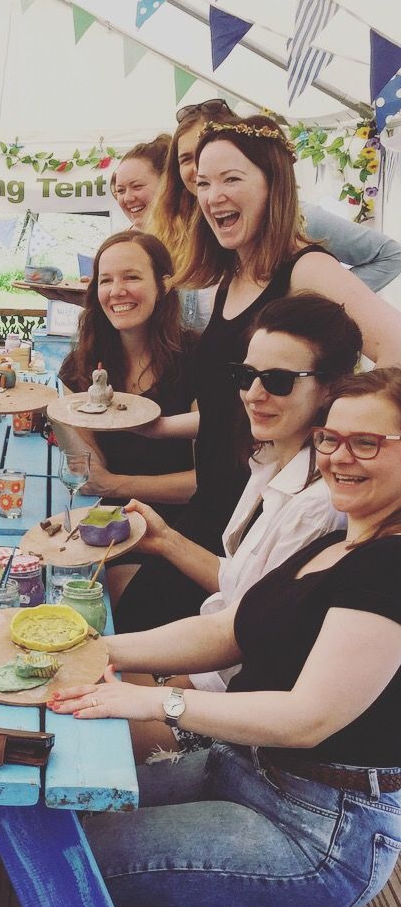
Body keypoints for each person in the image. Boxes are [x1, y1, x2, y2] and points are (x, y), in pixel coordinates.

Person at [49, 368, 401, 907]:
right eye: (331, 439)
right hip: (244, 771)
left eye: (367, 443)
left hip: (319, 832)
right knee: (59, 809)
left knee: (67, 854)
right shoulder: (343, 540)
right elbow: (227, 630)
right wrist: (90, 647)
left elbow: (307, 719)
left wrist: (155, 703)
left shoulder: (390, 567)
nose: (340, 457)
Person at [143, 115, 401, 561]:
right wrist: (158, 428)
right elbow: (233, 404)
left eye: (231, 179)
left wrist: (344, 439)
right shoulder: (235, 271)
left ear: (272, 185)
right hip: (221, 499)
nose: (212, 195)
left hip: (271, 512)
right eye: (203, 183)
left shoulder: (306, 268)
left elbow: (394, 348)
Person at [116, 294, 361, 749]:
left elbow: (248, 636)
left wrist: (164, 690)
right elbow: (244, 590)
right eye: (246, 376)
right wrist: (165, 539)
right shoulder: (272, 460)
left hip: (235, 716)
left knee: (71, 728)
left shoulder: (318, 503)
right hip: (211, 677)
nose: (254, 394)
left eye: (279, 380)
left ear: (331, 389)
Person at [145, 100, 401, 324]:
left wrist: (316, 310)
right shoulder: (181, 229)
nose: (201, 163)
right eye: (186, 158)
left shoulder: (301, 226)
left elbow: (390, 255)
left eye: (231, 176)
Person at [56, 231, 196, 520]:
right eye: (106, 280)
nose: (117, 291)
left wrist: (117, 486)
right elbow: (89, 474)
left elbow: (207, 480)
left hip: (186, 528)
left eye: (131, 277)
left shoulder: (197, 358)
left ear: (164, 285)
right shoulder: (81, 366)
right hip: (114, 525)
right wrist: (56, 414)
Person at [111, 134, 170, 231]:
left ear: (166, 183)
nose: (127, 198)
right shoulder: (123, 244)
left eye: (136, 186)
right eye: (121, 191)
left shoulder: (197, 236)